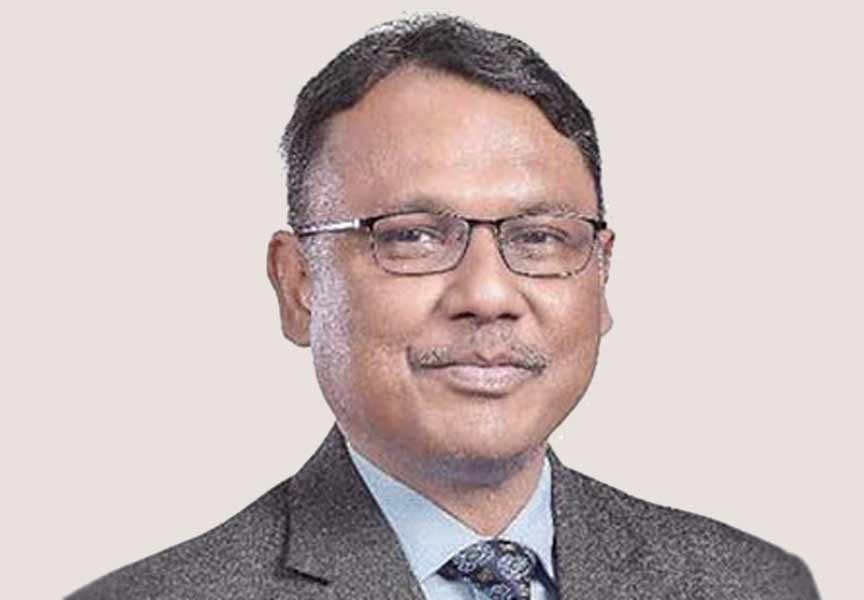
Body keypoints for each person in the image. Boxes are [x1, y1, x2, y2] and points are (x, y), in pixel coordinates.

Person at [68, 14, 819, 600]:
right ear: (297, 285)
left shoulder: (756, 585)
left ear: (602, 275)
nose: (488, 296)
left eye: (540, 236)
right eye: (414, 236)